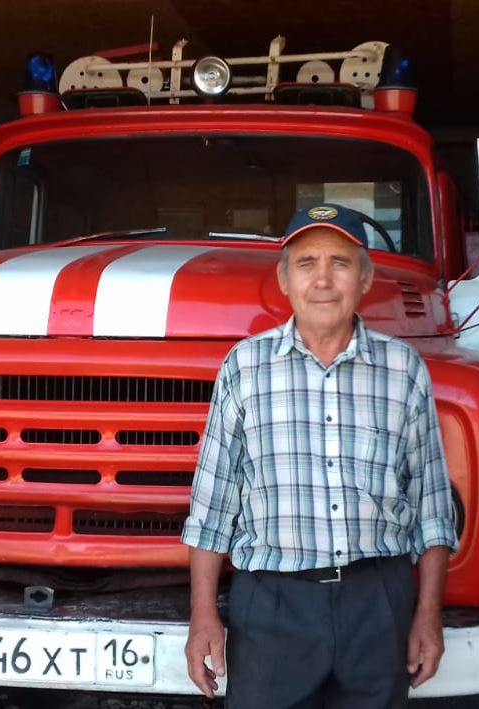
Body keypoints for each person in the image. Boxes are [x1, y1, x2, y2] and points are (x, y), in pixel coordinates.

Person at [181, 204, 459, 708]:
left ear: (365, 278)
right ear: (284, 280)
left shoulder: (404, 369)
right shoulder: (245, 367)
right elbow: (212, 508)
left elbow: (432, 507)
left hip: (378, 602)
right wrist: (203, 617)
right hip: (272, 606)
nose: (323, 280)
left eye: (340, 263)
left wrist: (428, 614)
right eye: (307, 263)